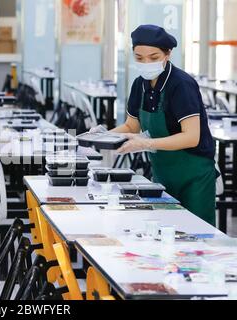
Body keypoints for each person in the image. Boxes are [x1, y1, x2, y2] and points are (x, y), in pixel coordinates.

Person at [92, 25, 216, 225]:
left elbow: (191, 137)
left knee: (197, 235)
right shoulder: (139, 84)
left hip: (194, 176)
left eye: (153, 57)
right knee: (166, 231)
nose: (146, 63)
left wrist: (146, 144)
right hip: (163, 172)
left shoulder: (181, 85)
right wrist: (102, 136)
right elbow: (132, 126)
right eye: (139, 58)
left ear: (167, 54)